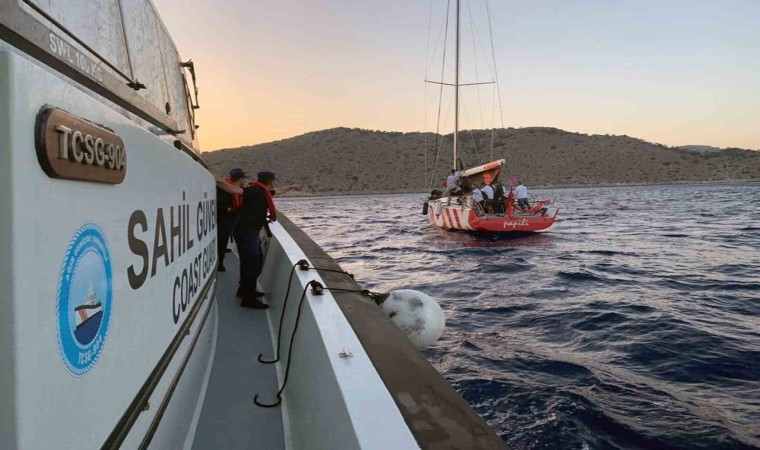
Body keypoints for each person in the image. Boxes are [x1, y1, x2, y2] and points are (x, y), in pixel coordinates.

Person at [216, 171, 299, 309]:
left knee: (255, 260)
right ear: (271, 181)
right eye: (273, 181)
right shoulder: (254, 191)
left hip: (251, 232)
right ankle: (248, 299)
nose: (274, 184)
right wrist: (217, 181)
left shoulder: (263, 191)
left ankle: (244, 289)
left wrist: (291, 187)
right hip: (246, 232)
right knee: (252, 263)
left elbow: (278, 191)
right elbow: (235, 190)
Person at [216, 168, 246, 272]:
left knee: (224, 239)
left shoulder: (236, 188)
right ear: (241, 179)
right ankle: (220, 262)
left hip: (233, 216)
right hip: (225, 217)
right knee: (222, 240)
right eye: (243, 179)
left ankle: (221, 257)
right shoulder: (224, 189)